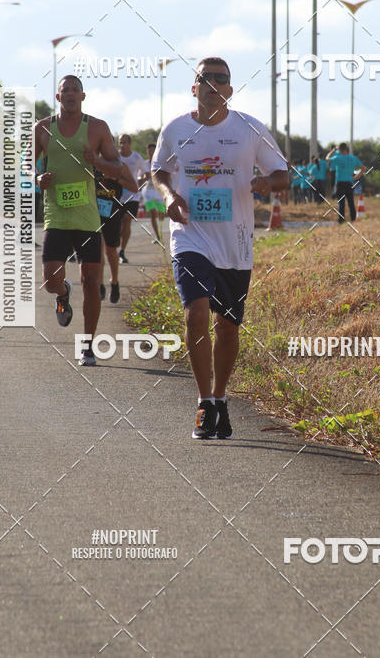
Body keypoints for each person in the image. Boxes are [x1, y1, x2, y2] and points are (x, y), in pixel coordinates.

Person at [152, 57, 289, 440]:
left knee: (227, 327)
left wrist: (267, 184)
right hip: (190, 236)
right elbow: (159, 170)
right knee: (196, 315)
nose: (212, 83)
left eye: (220, 78)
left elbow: (282, 173)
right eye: (204, 77)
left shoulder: (249, 129)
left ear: (229, 89)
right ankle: (204, 402)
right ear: (193, 87)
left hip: (234, 243)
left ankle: (221, 397)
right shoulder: (176, 129)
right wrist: (169, 196)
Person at [34, 75, 122, 366]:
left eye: (75, 90)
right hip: (56, 214)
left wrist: (96, 162)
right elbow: (26, 163)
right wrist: (37, 177)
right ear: (57, 97)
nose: (70, 94)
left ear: (83, 96)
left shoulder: (97, 128)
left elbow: (117, 167)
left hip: (87, 216)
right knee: (50, 281)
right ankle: (63, 293)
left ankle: (88, 346)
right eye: (65, 90)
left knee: (92, 281)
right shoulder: (42, 128)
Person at [96, 163, 138, 303]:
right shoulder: (90, 162)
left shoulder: (120, 166)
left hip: (112, 213)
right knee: (98, 248)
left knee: (110, 251)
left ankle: (114, 282)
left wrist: (116, 178)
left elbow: (134, 188)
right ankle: (100, 284)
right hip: (94, 211)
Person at [118, 134, 148, 264]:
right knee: (119, 224)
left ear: (130, 144)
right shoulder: (116, 156)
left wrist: (140, 183)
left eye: (125, 142)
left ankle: (122, 251)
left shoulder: (136, 157)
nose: (122, 145)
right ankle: (116, 246)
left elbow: (146, 173)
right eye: (120, 142)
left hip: (133, 196)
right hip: (117, 195)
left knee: (127, 220)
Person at [328, 143, 365, 223]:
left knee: (341, 202)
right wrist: (356, 177)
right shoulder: (353, 158)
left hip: (340, 182)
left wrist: (332, 151)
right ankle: (353, 219)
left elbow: (327, 159)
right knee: (351, 202)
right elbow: (363, 168)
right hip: (349, 182)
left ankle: (341, 220)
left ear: (340, 149)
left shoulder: (337, 158)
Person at [141, 142, 166, 243]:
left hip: (159, 191)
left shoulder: (160, 163)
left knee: (161, 214)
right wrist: (144, 177)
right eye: (149, 150)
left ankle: (160, 232)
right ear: (147, 151)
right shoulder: (144, 164)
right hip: (148, 192)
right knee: (152, 213)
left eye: (153, 150)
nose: (151, 152)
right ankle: (158, 236)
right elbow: (140, 177)